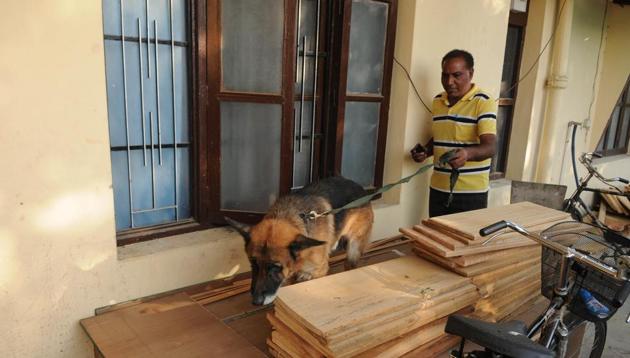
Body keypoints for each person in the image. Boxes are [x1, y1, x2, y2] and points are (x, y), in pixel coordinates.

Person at [411, 49, 497, 217]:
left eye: (456, 75)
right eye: (445, 75)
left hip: (470, 194)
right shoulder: (438, 101)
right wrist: (426, 151)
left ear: (470, 74)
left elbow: (491, 146)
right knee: (438, 239)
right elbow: (444, 134)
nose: (449, 81)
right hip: (438, 189)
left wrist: (467, 153)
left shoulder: (483, 102)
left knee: (465, 242)